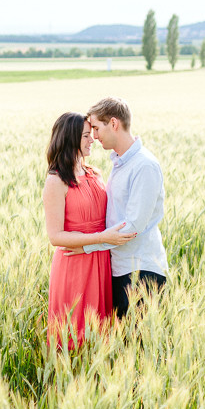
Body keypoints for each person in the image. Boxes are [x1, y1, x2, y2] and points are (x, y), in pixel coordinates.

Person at [67, 97, 168, 319]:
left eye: (96, 128)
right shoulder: (121, 163)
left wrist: (87, 247)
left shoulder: (144, 165)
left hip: (141, 272)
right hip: (121, 269)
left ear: (113, 123)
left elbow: (132, 226)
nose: (94, 136)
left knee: (137, 340)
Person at [42, 112, 136, 348]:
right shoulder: (56, 181)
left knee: (100, 333)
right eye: (85, 135)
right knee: (74, 332)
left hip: (100, 260)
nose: (92, 139)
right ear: (70, 138)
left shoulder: (95, 174)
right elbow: (55, 236)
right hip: (74, 263)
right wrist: (101, 238)